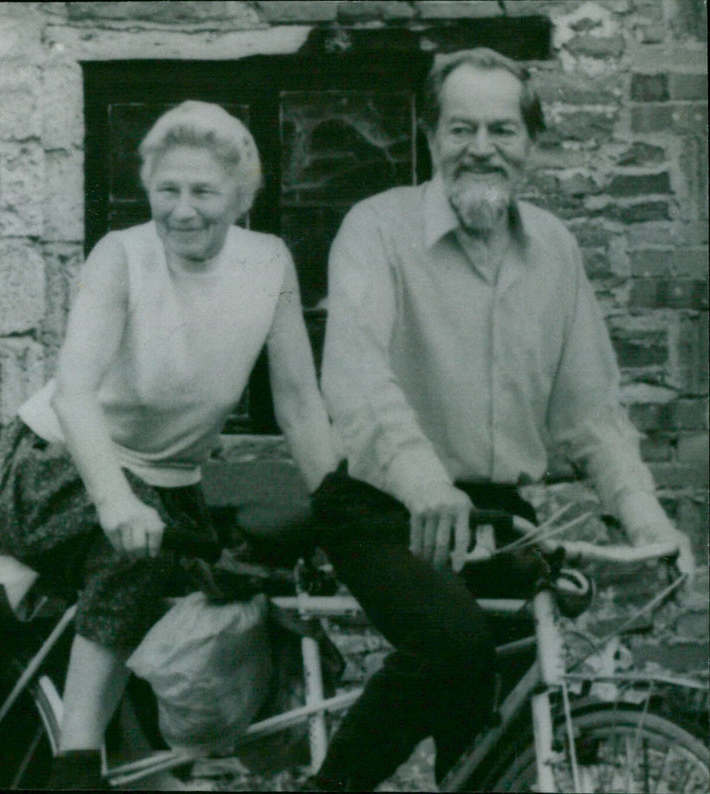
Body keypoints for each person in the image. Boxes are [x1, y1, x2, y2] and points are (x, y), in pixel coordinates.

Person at [309, 48, 695, 791]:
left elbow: (592, 412)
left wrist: (645, 519)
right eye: (461, 129)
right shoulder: (376, 229)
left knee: (504, 719)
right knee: (454, 646)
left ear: (531, 144)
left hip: (499, 517)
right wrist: (425, 484)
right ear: (431, 136)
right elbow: (358, 379)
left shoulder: (554, 249)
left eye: (502, 130)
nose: (481, 148)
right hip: (384, 506)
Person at [0, 101, 337, 790]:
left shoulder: (269, 262)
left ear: (242, 197)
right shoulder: (122, 255)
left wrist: (337, 505)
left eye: (204, 191)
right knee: (136, 554)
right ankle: (77, 763)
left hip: (168, 485)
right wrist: (115, 500)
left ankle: (159, 761)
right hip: (53, 467)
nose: (183, 209)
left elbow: (297, 402)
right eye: (167, 190)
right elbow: (74, 392)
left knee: (238, 577)